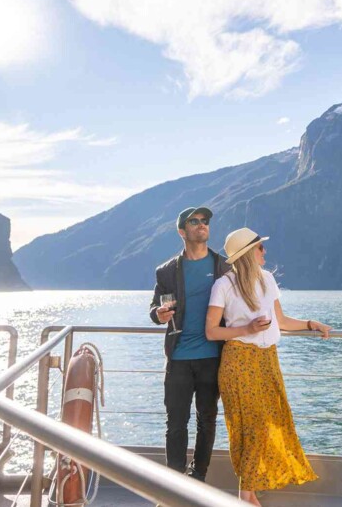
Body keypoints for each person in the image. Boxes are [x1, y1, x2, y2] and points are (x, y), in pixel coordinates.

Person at [205, 227, 332, 506]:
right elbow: (212, 331)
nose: (265, 251)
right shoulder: (223, 285)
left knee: (269, 423)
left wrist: (311, 324)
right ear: (249, 253)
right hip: (239, 361)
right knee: (252, 427)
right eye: (260, 248)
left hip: (267, 361)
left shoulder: (267, 279)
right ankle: (247, 496)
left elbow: (282, 322)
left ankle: (247, 492)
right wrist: (247, 328)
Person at [149, 206, 232, 481]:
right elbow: (154, 308)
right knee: (175, 424)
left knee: (207, 420)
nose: (202, 225)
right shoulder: (166, 271)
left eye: (205, 221)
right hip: (179, 358)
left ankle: (198, 479)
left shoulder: (224, 267)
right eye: (194, 221)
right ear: (182, 231)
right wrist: (158, 315)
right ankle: (174, 482)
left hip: (213, 357)